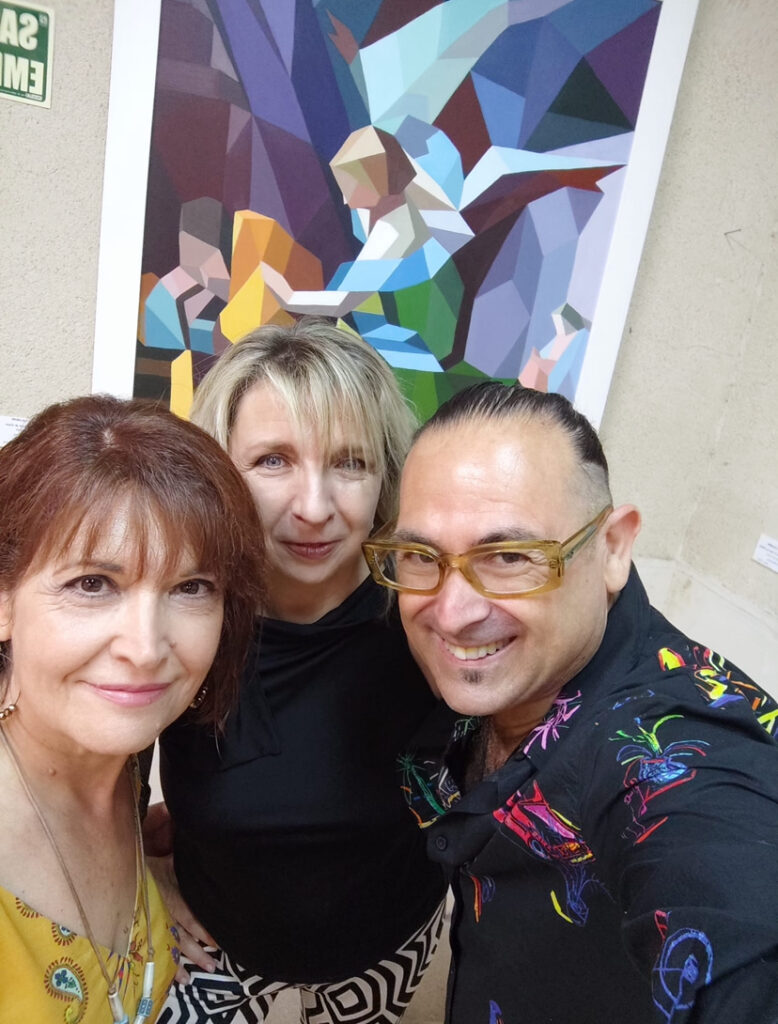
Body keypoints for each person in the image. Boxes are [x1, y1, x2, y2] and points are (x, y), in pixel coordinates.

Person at [362, 381, 778, 1023]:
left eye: (508, 556)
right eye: (421, 555)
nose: (452, 612)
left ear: (612, 549)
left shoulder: (672, 748)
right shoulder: (477, 667)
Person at [155, 318, 448, 1024]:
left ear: (385, 478)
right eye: (273, 461)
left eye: (350, 463)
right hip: (213, 950)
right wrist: (139, 869)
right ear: (219, 473)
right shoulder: (176, 620)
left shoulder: (432, 619)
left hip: (389, 949)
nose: (315, 508)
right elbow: (90, 770)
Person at [0, 395, 264, 1024]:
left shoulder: (124, 761)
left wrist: (153, 877)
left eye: (190, 587)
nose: (146, 650)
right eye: (92, 584)